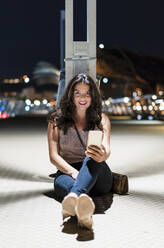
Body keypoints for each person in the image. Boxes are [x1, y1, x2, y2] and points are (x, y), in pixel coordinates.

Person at [47, 73, 113, 230]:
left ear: (93, 96)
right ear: (71, 95)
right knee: (63, 184)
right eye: (78, 92)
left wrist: (103, 154)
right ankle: (82, 209)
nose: (82, 97)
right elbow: (53, 156)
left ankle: (74, 196)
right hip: (67, 171)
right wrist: (72, 172)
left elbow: (107, 149)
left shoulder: (101, 119)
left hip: (98, 173)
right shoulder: (56, 120)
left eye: (87, 93)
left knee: (92, 157)